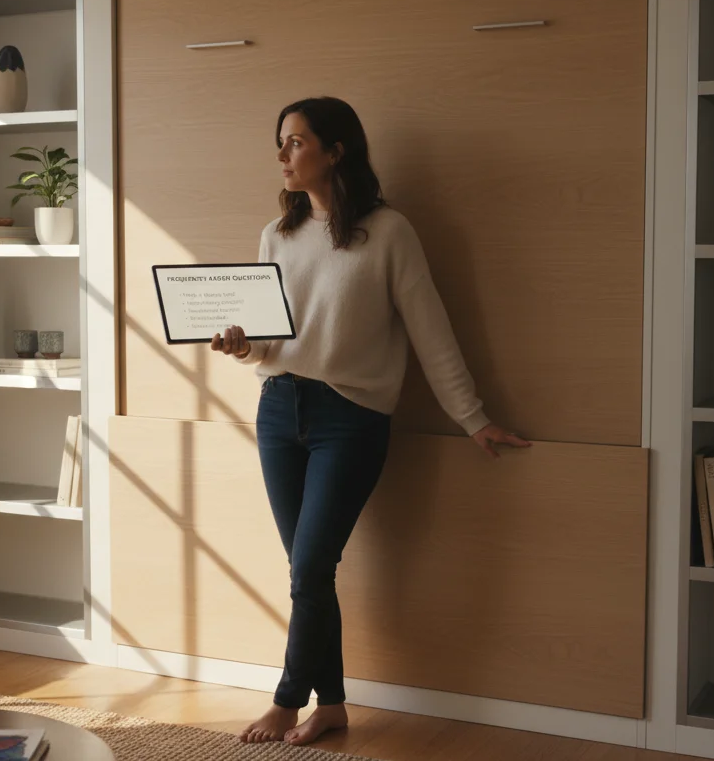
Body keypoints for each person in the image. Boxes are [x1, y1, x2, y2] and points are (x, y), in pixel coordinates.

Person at [210, 96, 531, 746]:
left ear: (336, 151)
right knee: (309, 572)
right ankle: (330, 706)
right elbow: (273, 340)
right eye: (281, 142)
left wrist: (472, 417)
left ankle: (286, 699)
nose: (282, 155)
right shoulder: (277, 235)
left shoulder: (388, 233)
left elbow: (430, 332)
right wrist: (244, 345)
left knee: (309, 568)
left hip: (350, 418)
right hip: (278, 409)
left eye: (296, 142)